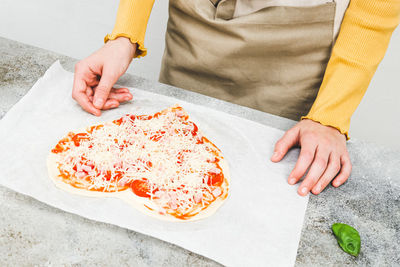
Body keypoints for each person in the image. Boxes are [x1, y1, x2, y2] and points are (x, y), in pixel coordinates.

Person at [72, 0, 400, 196]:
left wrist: (331, 115)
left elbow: (376, 9)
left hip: (290, 40)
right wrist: (125, 36)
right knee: (166, 164)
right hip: (193, 25)